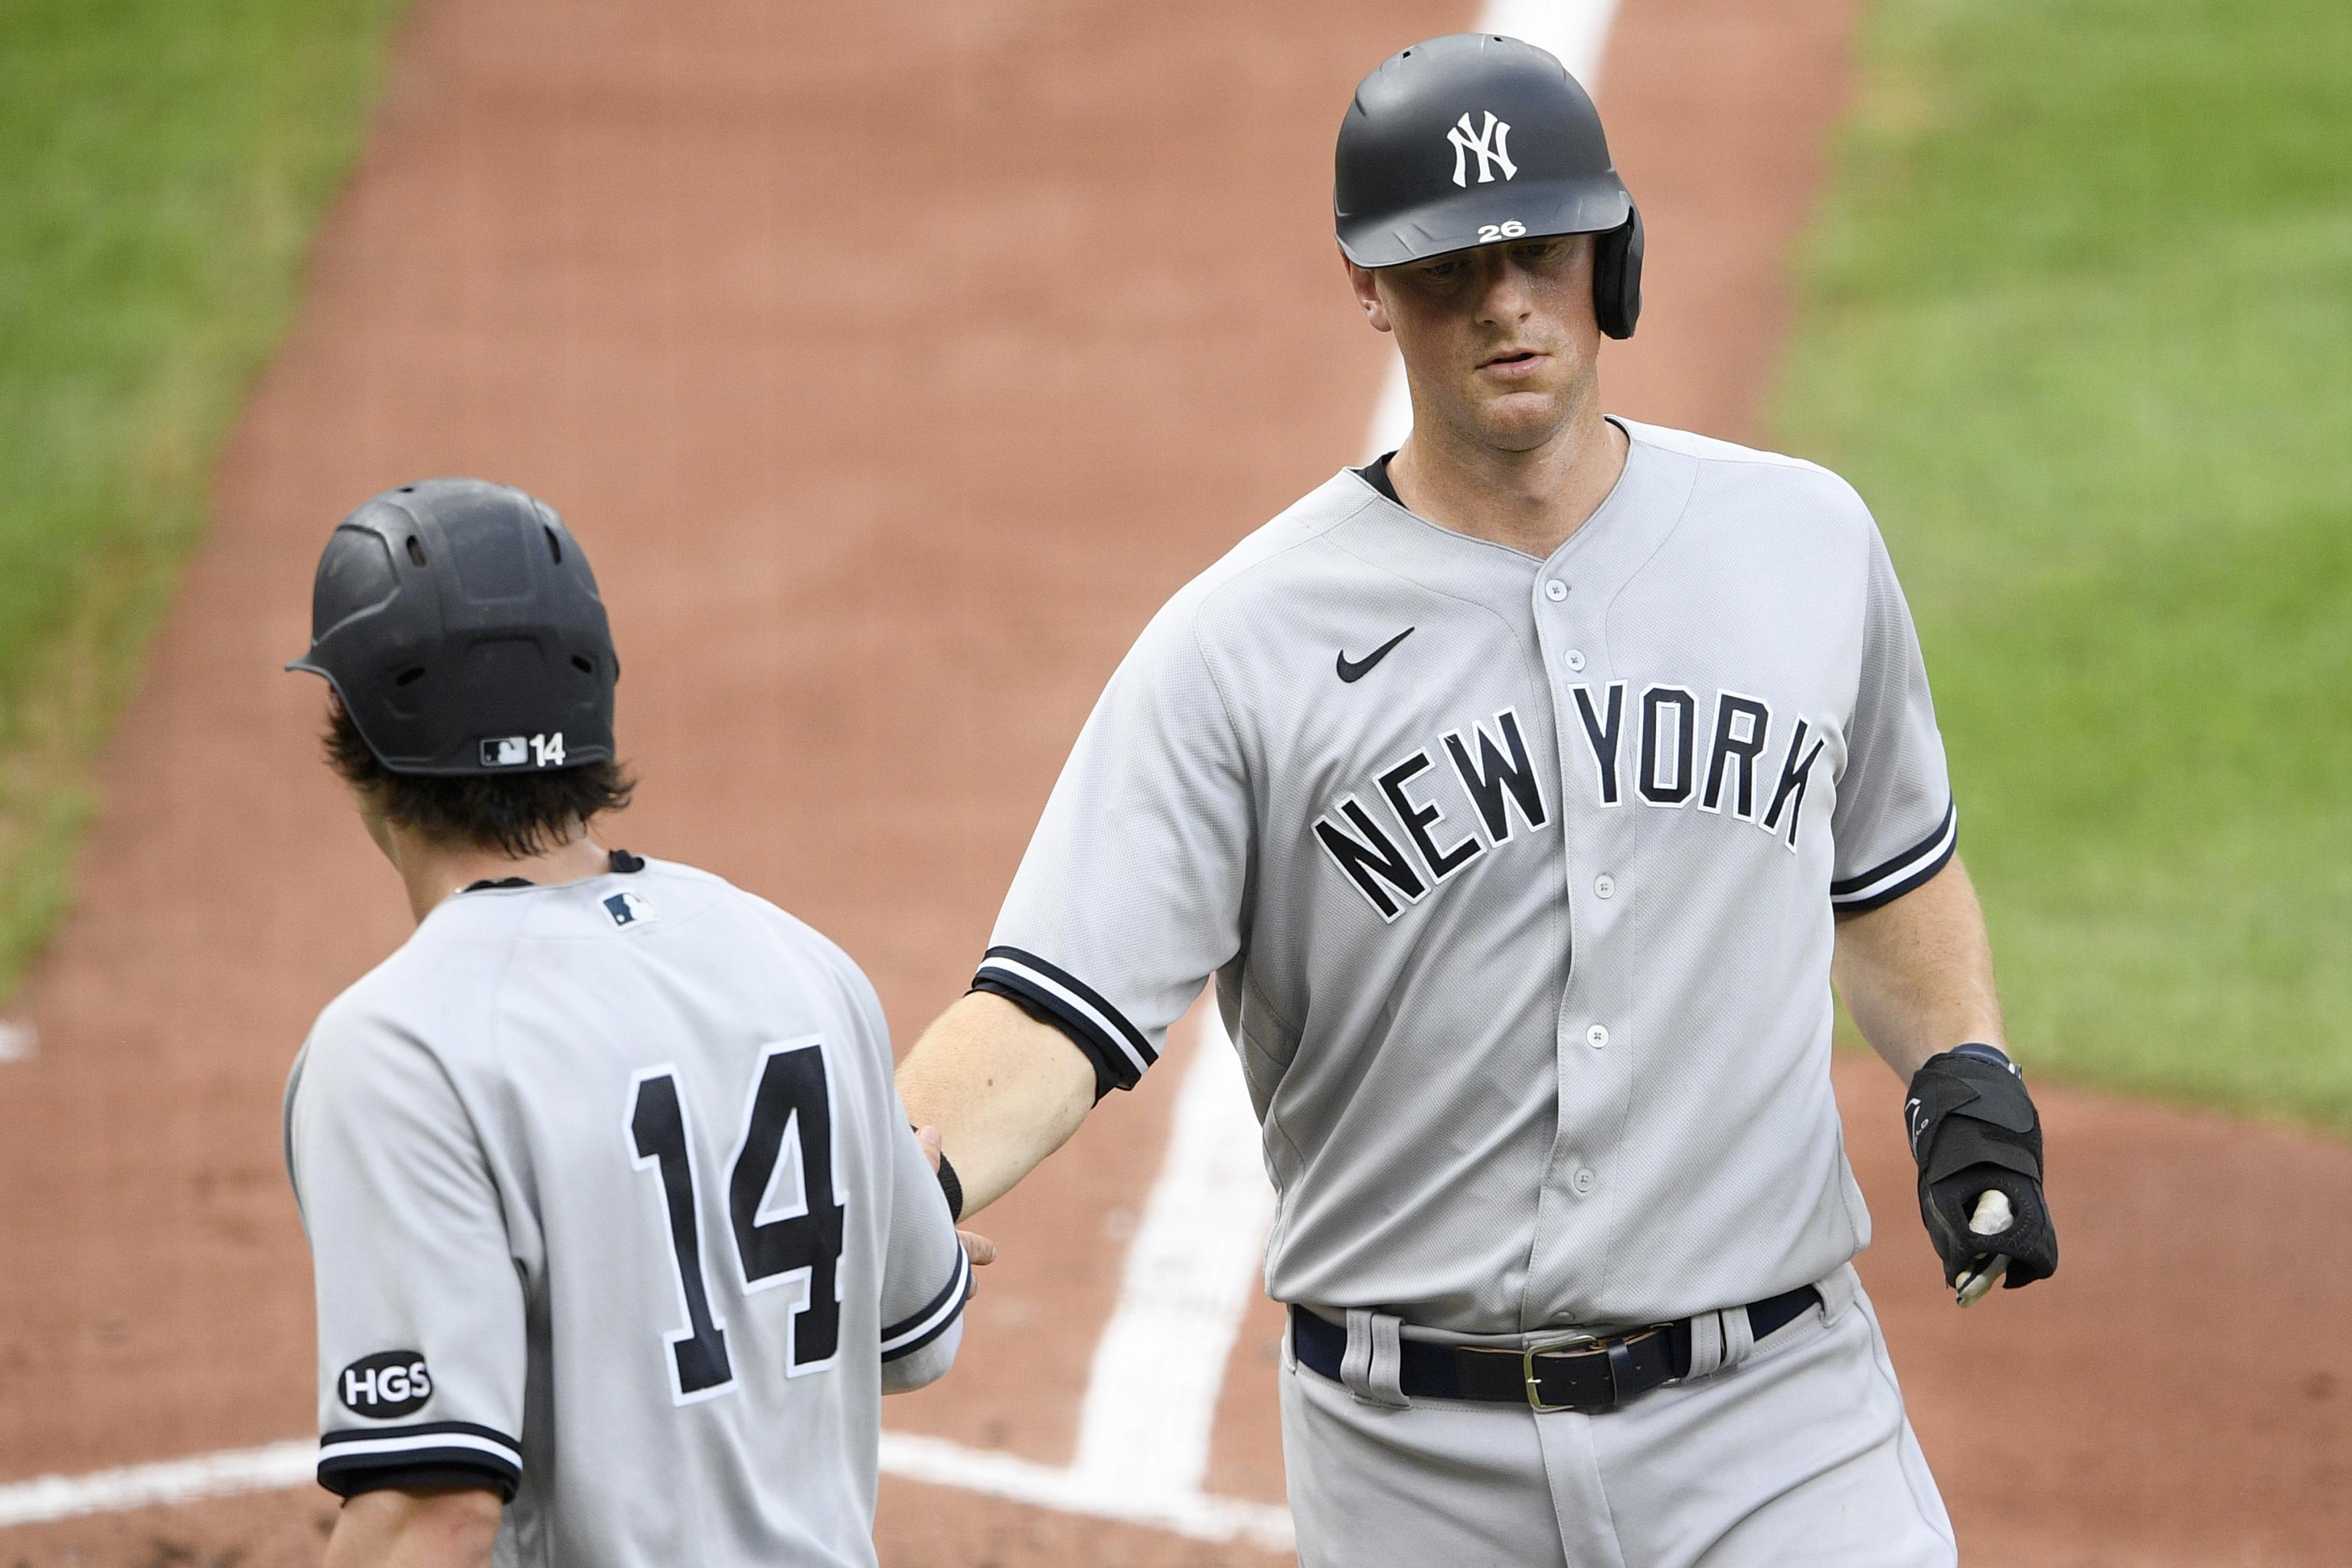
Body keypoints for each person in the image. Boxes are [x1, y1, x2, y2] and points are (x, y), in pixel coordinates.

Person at [897, 34, 2056, 1566]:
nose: (1505, 300)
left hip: (1781, 1423)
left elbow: (1890, 864)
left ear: (1610, 254)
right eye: (1448, 266)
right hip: (1414, 1472)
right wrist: (894, 1182)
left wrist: (1960, 1065)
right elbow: (1054, 1003)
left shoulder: (1807, 547)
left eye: (1540, 250)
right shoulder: (1240, 646)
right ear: (1369, 286)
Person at [283, 478, 979, 1567]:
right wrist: (894, 1187)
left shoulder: (399, 1045)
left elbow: (434, 1509)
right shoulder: (800, 962)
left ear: (355, 731)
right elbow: (911, 1329)